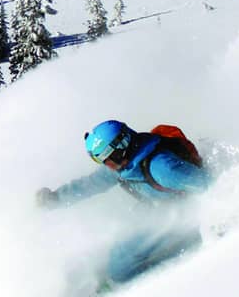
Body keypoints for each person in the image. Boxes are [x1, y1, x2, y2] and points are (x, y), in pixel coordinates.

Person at [35, 119, 211, 286]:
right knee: (118, 247)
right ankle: (129, 263)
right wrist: (56, 198)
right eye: (99, 159)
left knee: (120, 268)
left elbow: (208, 185)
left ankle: (176, 259)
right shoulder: (122, 165)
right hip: (156, 206)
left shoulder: (162, 168)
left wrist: (211, 223)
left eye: (109, 157)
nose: (107, 164)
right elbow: (92, 184)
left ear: (123, 145)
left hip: (179, 215)